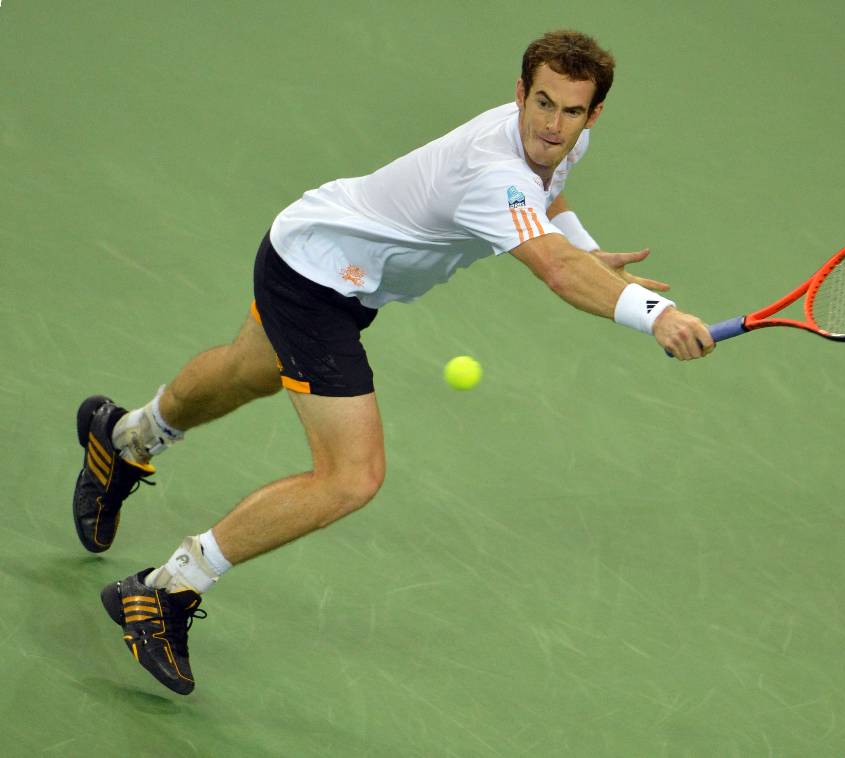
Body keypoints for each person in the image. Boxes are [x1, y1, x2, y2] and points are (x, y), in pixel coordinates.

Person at [73, 29, 714, 696]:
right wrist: (655, 315)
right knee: (351, 476)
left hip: (323, 251)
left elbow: (549, 202)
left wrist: (583, 246)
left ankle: (121, 437)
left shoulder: (561, 142)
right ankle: (167, 588)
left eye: (572, 112)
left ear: (594, 114)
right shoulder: (493, 171)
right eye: (543, 104)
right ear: (520, 92)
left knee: (247, 372)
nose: (553, 128)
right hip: (315, 278)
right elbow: (551, 269)